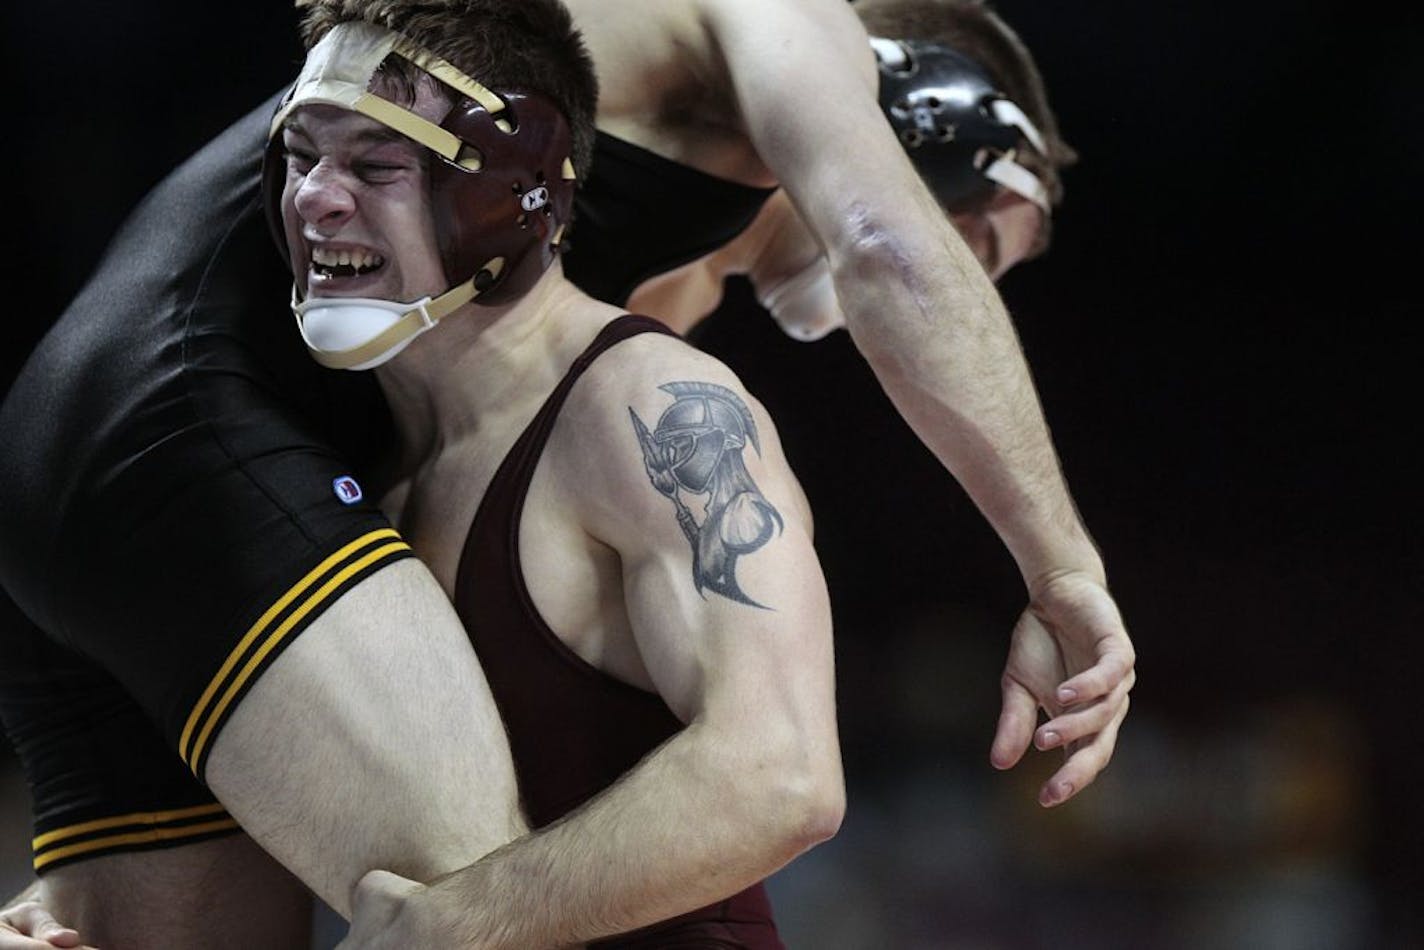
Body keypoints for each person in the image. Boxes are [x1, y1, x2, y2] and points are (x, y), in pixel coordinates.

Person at [1, 0, 1134, 945]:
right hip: (188, 433)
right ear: (910, 120)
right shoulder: (785, 20)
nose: (966, 309)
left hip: (69, 452)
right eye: (978, 254)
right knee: (472, 919)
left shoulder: (573, 324)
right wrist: (1059, 566)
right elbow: (889, 252)